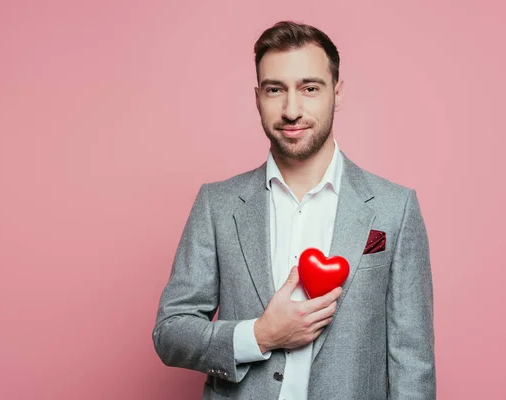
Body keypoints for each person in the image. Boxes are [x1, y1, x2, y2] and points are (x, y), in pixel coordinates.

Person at [152, 20, 435, 400]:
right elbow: (170, 331)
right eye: (275, 90)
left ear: (337, 94)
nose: (291, 109)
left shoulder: (394, 208)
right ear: (257, 98)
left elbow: (412, 363)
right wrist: (260, 335)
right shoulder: (216, 204)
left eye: (310, 88)